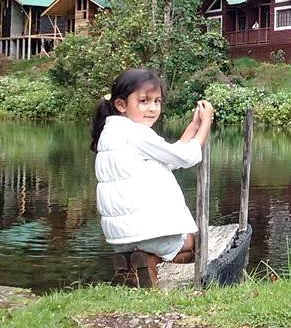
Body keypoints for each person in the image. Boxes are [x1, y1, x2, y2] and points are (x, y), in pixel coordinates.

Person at [90, 67, 213, 288]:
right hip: (145, 232)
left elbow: (171, 159)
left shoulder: (109, 134)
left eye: (157, 101)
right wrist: (206, 123)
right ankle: (150, 259)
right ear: (121, 105)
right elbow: (187, 157)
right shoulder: (137, 134)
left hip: (120, 237)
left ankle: (135, 264)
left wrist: (193, 126)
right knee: (199, 244)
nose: (152, 108)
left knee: (183, 238)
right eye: (144, 101)